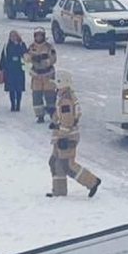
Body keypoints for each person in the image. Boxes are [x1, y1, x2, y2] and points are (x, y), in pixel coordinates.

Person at [46, 70, 101, 198]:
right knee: (55, 162)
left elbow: (67, 122)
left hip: (66, 137)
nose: (54, 85)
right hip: (61, 136)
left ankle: (92, 182)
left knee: (67, 165)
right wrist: (53, 116)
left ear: (61, 83)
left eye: (56, 83)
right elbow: (62, 117)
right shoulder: (63, 97)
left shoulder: (65, 100)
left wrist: (60, 132)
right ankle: (59, 191)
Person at [24, 27, 57, 123]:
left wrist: (44, 61)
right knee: (37, 96)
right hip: (36, 75)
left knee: (50, 95)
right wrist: (32, 58)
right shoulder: (31, 47)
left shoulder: (49, 47)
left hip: (48, 74)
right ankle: (40, 115)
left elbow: (53, 59)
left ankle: (52, 114)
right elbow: (26, 58)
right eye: (37, 36)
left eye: (40, 35)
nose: (39, 37)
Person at [0, 30, 27, 111]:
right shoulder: (7, 45)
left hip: (19, 69)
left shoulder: (22, 45)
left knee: (18, 88)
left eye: (14, 35)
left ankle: (18, 104)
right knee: (11, 88)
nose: (13, 37)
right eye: (11, 36)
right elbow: (3, 57)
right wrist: (2, 68)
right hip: (10, 69)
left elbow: (26, 55)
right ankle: (12, 104)